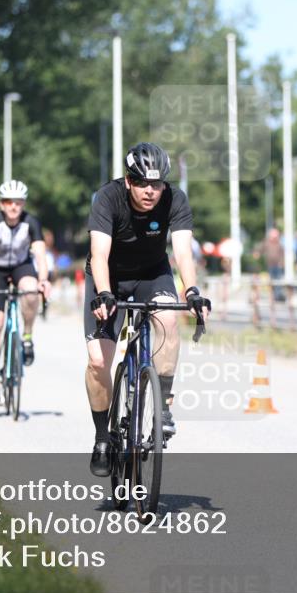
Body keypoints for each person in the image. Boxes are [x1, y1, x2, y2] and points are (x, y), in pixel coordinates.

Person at [84, 142, 209, 477]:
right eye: (143, 184)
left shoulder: (175, 199)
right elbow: (98, 254)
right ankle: (101, 437)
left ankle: (163, 406)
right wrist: (105, 294)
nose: (151, 192)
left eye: (157, 184)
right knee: (98, 361)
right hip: (108, 277)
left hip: (153, 274)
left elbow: (183, 252)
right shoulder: (107, 198)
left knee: (168, 319)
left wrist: (193, 290)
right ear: (128, 181)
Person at [0, 180, 51, 406]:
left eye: (18, 202)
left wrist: (44, 280)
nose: (13, 206)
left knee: (30, 291)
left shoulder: (31, 222)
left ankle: (27, 336)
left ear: (23, 204)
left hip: (21, 265)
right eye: (9, 202)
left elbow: (40, 255)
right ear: (1, 204)